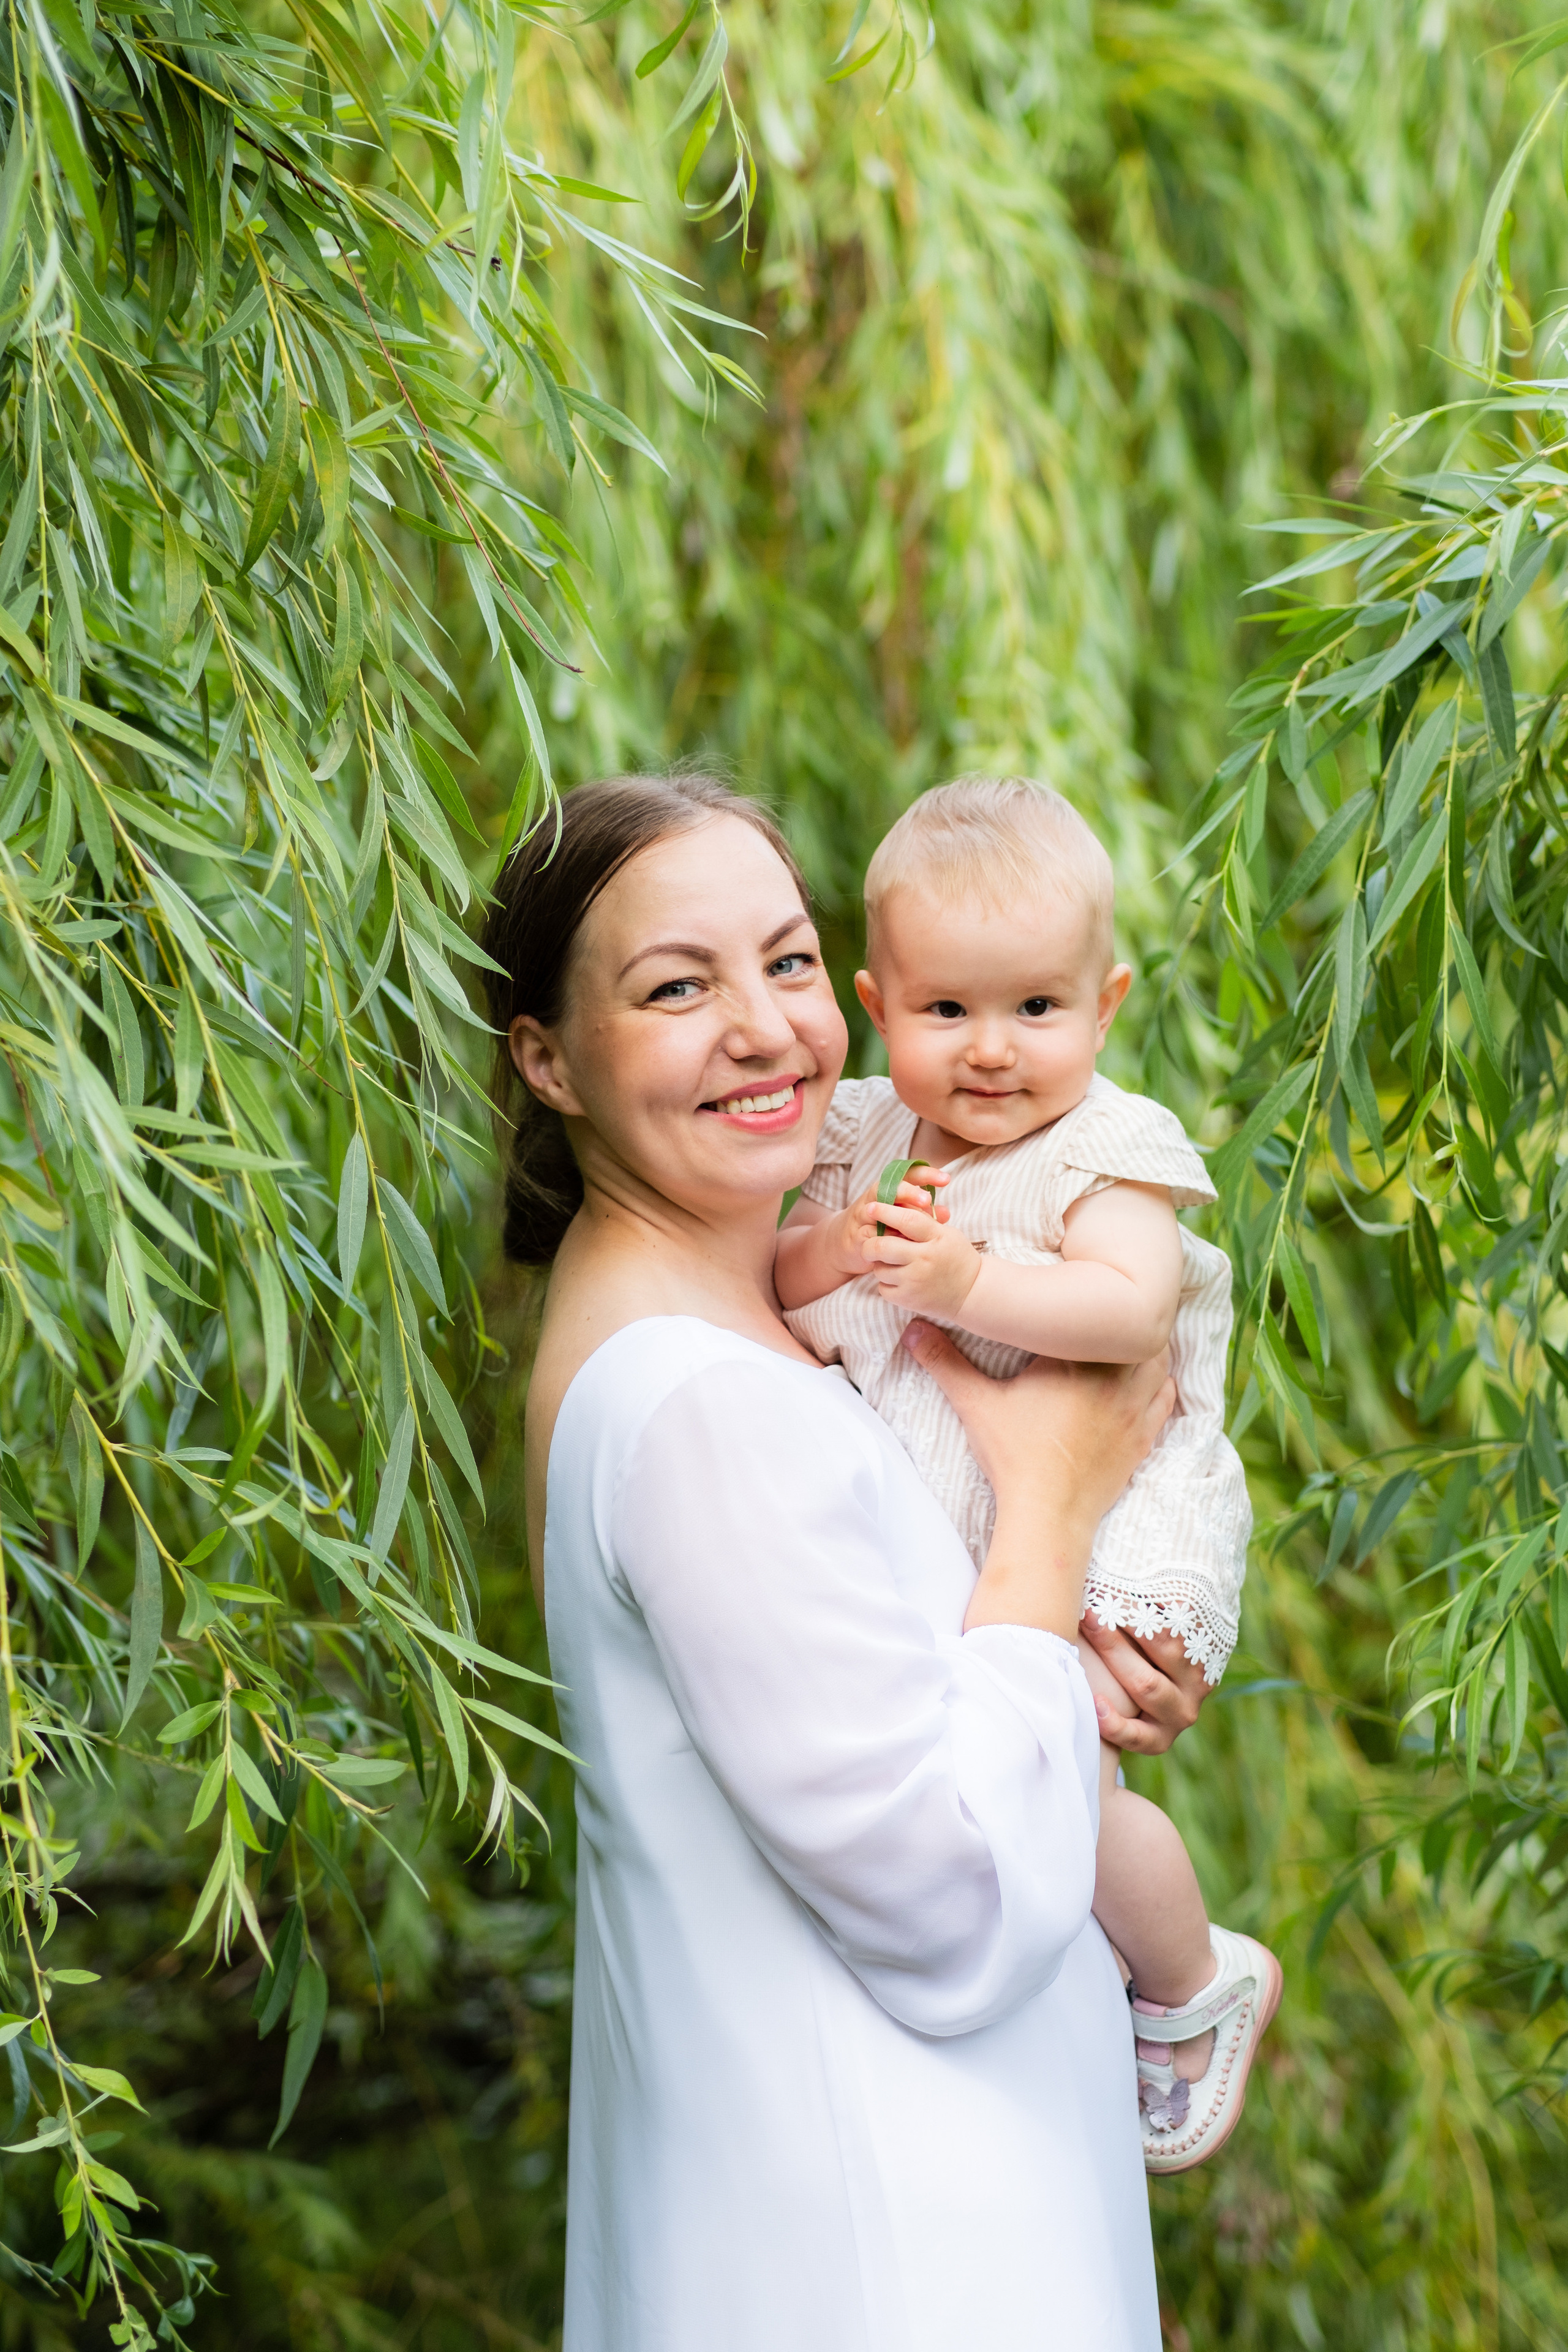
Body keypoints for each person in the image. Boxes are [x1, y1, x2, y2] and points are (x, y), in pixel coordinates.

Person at [485, 771, 1207, 2351]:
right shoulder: (698, 1409)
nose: (768, 1029)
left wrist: (1074, 1662)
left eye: (790, 962)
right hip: (885, 2263)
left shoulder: (762, 1319)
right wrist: (1053, 1514)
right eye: (678, 987)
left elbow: (895, 1693)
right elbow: (944, 1890)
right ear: (547, 1057)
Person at [777, 776, 1280, 2171]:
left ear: (1105, 1002)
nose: (990, 1052)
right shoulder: (859, 1137)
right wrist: (843, 1247)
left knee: (1074, 1794)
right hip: (959, 1503)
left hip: (1105, 1509)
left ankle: (1189, 1982)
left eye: (1035, 1011)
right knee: (977, 1779)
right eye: (947, 1012)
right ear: (879, 1008)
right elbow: (787, 1277)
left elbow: (1128, 1316)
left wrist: (964, 1276)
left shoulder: (1105, 1152)